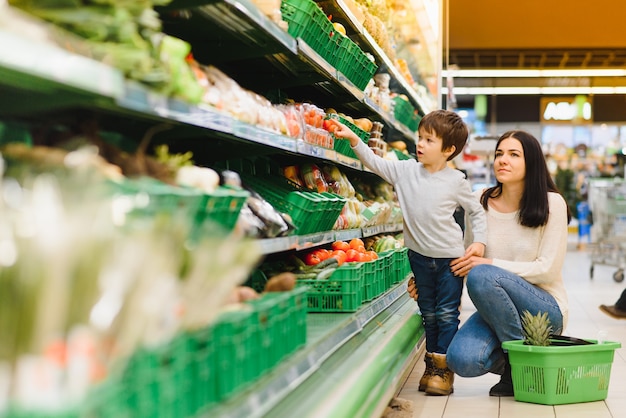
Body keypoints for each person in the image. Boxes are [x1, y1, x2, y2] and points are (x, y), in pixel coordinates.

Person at [330, 110, 487, 396]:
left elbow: (476, 212)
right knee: (428, 312)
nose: (421, 144)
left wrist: (479, 243)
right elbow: (375, 162)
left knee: (447, 313)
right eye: (420, 137)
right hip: (418, 256)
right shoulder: (405, 171)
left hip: (450, 259)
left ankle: (443, 370)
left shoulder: (456, 181)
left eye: (429, 140)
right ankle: (432, 365)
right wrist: (354, 139)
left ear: (449, 150)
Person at [408, 130, 571, 397]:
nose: (502, 160)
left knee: (482, 274)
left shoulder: (552, 203)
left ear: (532, 162)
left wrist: (489, 263)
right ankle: (525, 364)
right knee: (461, 359)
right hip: (496, 309)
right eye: (499, 154)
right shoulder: (479, 200)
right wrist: (429, 282)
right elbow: (462, 256)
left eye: (513, 154)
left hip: (544, 308)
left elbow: (547, 268)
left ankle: (516, 367)